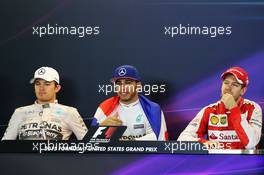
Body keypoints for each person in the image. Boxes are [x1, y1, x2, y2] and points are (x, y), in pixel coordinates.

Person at [177, 67, 262, 149]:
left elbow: (251, 143)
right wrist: (204, 143)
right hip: (217, 162)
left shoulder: (253, 108)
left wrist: (233, 109)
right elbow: (182, 139)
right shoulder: (209, 110)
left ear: (243, 90)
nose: (228, 88)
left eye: (234, 85)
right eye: (226, 83)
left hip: (246, 162)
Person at [2, 66, 88, 140]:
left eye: (47, 84)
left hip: (55, 159)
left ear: (57, 88)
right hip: (24, 159)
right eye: (37, 83)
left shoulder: (70, 112)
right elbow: (5, 147)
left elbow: (89, 145)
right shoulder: (19, 112)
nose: (41, 88)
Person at [92, 65, 168, 141]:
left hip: (143, 153)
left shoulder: (152, 109)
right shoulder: (104, 108)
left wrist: (129, 142)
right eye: (119, 83)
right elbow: (90, 144)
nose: (123, 87)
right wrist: (102, 129)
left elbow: (159, 141)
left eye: (128, 83)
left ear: (138, 86)